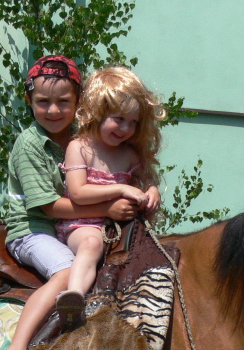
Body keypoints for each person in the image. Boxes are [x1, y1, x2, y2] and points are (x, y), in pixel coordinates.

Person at [0, 56, 139, 350]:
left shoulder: (82, 139)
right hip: (33, 230)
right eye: (43, 102)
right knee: (64, 272)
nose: (54, 110)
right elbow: (49, 207)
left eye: (64, 101)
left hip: (76, 228)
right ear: (29, 101)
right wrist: (109, 208)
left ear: (79, 103)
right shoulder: (30, 145)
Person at [54, 66, 164, 327]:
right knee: (91, 243)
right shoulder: (80, 147)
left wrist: (152, 192)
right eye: (119, 119)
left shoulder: (129, 154)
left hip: (118, 230)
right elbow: (78, 193)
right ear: (97, 112)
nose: (126, 128)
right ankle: (73, 297)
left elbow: (144, 182)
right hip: (81, 226)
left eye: (133, 122)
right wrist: (120, 189)